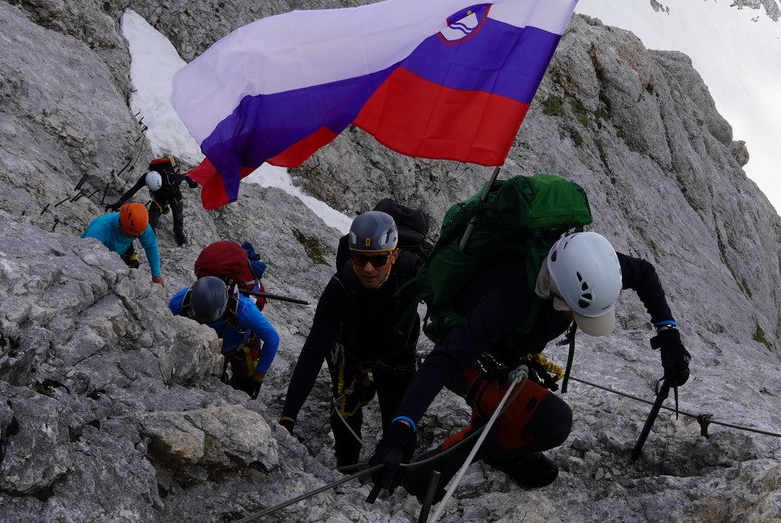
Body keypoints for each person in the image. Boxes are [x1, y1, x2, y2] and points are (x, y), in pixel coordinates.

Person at [366, 231, 691, 497]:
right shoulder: (510, 297)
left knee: (518, 424)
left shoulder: (587, 263)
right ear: (557, 291)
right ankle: (429, 471)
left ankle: (488, 438)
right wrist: (398, 433)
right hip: (466, 356)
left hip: (504, 355)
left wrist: (669, 336)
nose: (574, 320)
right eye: (573, 313)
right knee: (552, 421)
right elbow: (443, 361)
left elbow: (645, 273)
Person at [278, 206, 428, 470]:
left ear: (393, 255)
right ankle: (346, 466)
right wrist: (288, 418)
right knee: (344, 416)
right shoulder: (342, 283)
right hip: (350, 351)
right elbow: (314, 349)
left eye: (379, 259)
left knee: (398, 424)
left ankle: (394, 476)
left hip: (397, 352)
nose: (369, 268)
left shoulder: (413, 271)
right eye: (360, 259)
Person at [169, 275, 280, 398]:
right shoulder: (179, 302)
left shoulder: (243, 309)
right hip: (209, 350)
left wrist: (258, 377)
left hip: (239, 347)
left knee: (244, 387)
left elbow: (273, 339)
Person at [108, 157, 198, 246]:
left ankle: (179, 234)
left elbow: (186, 176)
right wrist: (118, 203)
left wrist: (192, 184)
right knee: (151, 221)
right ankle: (152, 241)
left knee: (178, 215)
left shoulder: (171, 177)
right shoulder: (146, 178)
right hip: (159, 198)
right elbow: (132, 190)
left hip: (174, 195)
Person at [81, 203, 163, 285]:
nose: (136, 237)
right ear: (121, 225)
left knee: (134, 265)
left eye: (137, 235)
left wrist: (156, 274)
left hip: (120, 249)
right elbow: (85, 257)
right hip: (97, 253)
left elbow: (151, 246)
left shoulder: (139, 226)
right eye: (131, 234)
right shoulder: (98, 230)